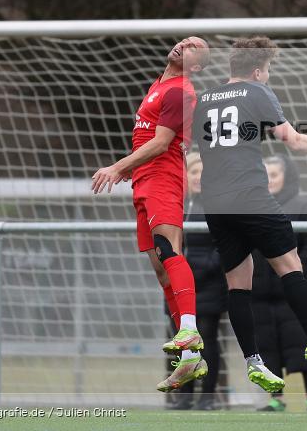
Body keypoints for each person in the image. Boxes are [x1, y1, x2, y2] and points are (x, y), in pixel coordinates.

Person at [195, 36, 307, 395]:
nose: (267, 76)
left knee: (238, 282)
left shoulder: (203, 99)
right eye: (268, 71)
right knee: (290, 264)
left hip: (214, 202)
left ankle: (253, 360)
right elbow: (291, 140)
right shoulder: (257, 92)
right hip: (249, 195)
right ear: (258, 71)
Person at [92, 37, 211, 392]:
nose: (184, 45)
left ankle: (189, 329)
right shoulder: (158, 85)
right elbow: (147, 140)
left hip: (163, 178)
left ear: (196, 66)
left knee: (169, 249)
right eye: (184, 41)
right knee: (160, 267)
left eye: (193, 47)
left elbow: (161, 143)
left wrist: (117, 166)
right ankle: (189, 356)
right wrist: (131, 168)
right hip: (143, 179)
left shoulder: (180, 91)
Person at [253, 154, 307, 412]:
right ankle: (276, 398)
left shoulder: (305, 206)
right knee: (266, 346)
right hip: (261, 293)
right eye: (265, 175)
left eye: (274, 174)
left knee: (305, 343)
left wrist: (294, 271)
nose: (269, 180)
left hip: (295, 291)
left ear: (287, 176)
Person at [164, 152, 230, 410]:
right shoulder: (176, 204)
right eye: (193, 171)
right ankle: (184, 395)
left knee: (208, 339)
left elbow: (225, 245)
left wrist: (203, 269)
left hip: (209, 284)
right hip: (179, 287)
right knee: (182, 342)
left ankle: (208, 396)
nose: (198, 177)